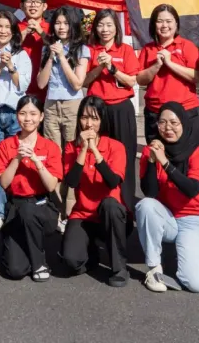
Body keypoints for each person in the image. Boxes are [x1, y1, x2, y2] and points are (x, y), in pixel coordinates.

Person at [135, 102, 199, 293]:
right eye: (162, 123)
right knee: (145, 206)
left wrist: (164, 161)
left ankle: (188, 256)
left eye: (173, 123)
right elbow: (150, 193)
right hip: (168, 216)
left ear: (184, 124)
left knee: (198, 284)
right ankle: (154, 268)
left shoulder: (198, 153)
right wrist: (153, 162)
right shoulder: (151, 150)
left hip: (195, 218)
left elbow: (191, 189)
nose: (167, 128)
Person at [59, 95, 129, 287]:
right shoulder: (71, 147)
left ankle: (119, 268)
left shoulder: (116, 147)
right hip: (83, 214)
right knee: (71, 262)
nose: (89, 124)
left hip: (110, 214)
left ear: (102, 120)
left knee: (110, 205)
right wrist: (83, 149)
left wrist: (95, 151)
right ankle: (92, 252)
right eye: (84, 117)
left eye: (95, 118)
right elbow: (72, 182)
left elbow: (112, 181)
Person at [0, 95, 62, 282]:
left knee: (28, 210)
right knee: (16, 271)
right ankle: (19, 245)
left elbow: (50, 185)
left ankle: (39, 262)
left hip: (42, 206)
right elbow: (4, 183)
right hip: (15, 207)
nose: (28, 118)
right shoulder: (6, 145)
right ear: (17, 116)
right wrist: (16, 158)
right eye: (23, 113)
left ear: (41, 117)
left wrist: (36, 161)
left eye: (33, 114)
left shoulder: (50, 147)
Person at [82, 9, 139, 205]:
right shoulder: (89, 50)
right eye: (100, 25)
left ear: (116, 28)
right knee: (96, 153)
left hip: (121, 109)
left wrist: (113, 68)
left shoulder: (125, 50)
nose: (104, 29)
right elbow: (83, 81)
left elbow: (131, 81)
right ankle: (97, 202)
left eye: (109, 25)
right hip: (97, 110)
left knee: (125, 155)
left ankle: (125, 204)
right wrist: (99, 66)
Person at [0, 9, 31, 227]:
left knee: (17, 161)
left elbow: (23, 85)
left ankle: (18, 206)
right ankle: (0, 209)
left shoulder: (22, 55)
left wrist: (11, 67)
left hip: (14, 116)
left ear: (13, 31)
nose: (2, 31)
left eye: (7, 27)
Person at [136, 3, 199, 148]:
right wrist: (156, 65)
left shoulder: (187, 46)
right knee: (158, 158)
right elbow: (140, 79)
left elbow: (197, 77)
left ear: (176, 23)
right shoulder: (148, 49)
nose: (164, 25)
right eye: (160, 21)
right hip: (155, 112)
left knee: (192, 157)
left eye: (169, 21)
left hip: (186, 111)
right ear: (154, 25)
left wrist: (170, 63)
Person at [37, 6, 91, 149]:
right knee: (52, 149)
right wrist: (50, 57)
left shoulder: (81, 49)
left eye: (66, 23)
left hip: (72, 104)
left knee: (72, 149)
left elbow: (77, 84)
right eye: (57, 23)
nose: (61, 27)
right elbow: (41, 84)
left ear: (73, 25)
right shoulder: (47, 48)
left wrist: (61, 57)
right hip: (51, 104)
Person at [17, 0, 50, 98]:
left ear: (44, 6)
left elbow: (56, 47)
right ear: (21, 6)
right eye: (29, 1)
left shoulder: (51, 28)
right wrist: (25, 31)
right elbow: (10, 47)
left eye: (37, 2)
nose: (33, 5)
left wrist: (41, 31)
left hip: (46, 87)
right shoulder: (15, 27)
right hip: (19, 86)